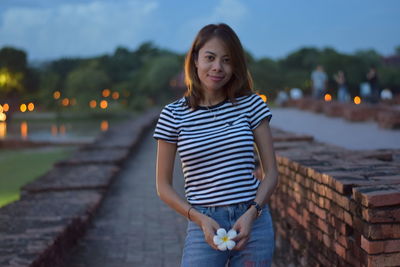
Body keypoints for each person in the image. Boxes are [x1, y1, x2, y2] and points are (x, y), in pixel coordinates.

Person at [153, 23, 278, 266]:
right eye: (210, 58)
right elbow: (163, 187)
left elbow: (271, 173)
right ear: (195, 60)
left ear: (235, 66)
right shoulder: (173, 114)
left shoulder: (251, 105)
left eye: (227, 60)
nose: (218, 67)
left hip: (253, 222)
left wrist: (253, 213)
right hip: (204, 223)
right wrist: (198, 218)